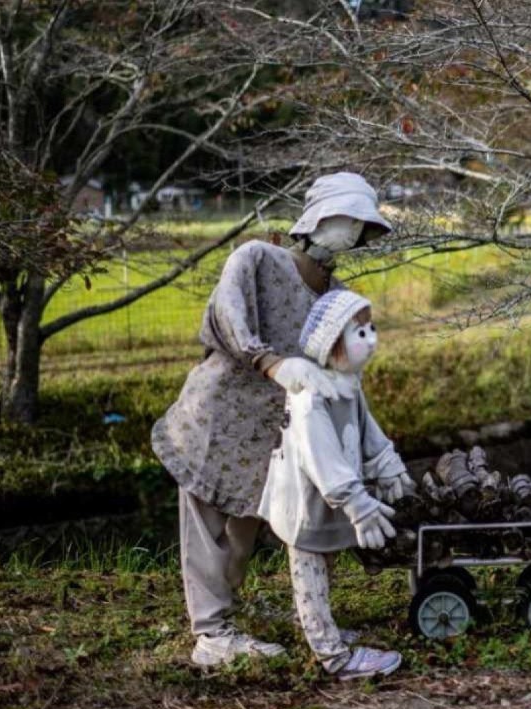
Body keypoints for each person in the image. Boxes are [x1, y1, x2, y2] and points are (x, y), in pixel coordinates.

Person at [151, 172, 393, 666]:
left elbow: (342, 370)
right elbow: (228, 314)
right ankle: (212, 635)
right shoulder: (258, 259)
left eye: (361, 225)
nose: (353, 231)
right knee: (207, 531)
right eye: (347, 218)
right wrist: (270, 361)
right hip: (216, 417)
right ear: (319, 218)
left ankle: (234, 616)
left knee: (245, 532)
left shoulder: (337, 296)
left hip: (273, 436)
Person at [258, 289, 412, 681]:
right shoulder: (311, 396)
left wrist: (386, 464)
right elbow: (321, 457)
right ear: (332, 342)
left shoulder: (348, 385)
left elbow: (366, 431)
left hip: (327, 502)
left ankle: (315, 626)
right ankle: (333, 657)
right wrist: (358, 504)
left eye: (372, 329)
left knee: (324, 567)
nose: (372, 339)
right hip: (305, 503)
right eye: (359, 333)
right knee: (309, 570)